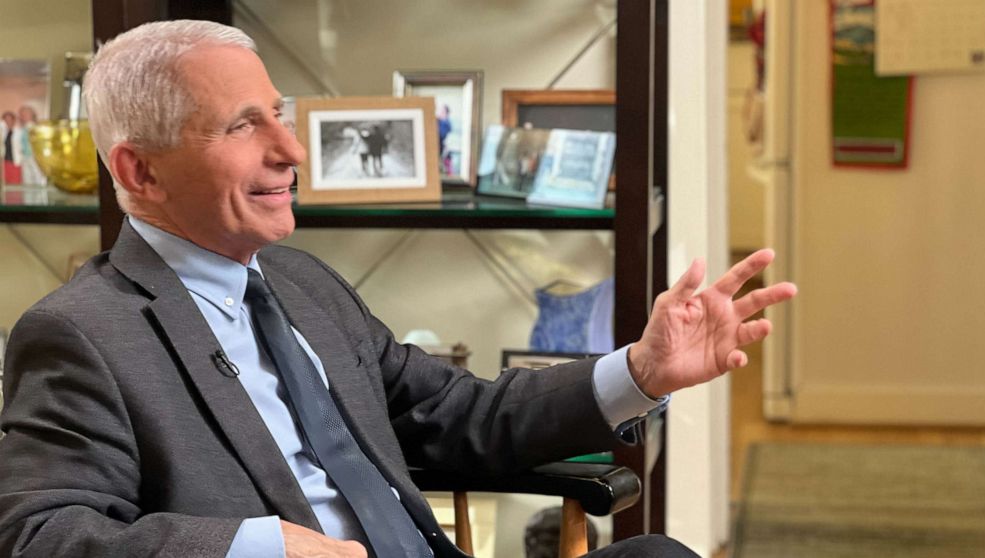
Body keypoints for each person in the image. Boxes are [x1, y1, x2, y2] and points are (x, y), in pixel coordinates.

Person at [0, 20, 796, 558]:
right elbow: (42, 534)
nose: (292, 151)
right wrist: (259, 546)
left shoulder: (303, 283)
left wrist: (643, 370)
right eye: (245, 127)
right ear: (139, 169)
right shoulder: (82, 333)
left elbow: (461, 417)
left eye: (281, 116)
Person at [16, 105, 46, 186]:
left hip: (36, 158)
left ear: (32, 115)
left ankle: (40, 198)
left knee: (38, 180)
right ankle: (28, 198)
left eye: (26, 113)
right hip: (25, 157)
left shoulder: (37, 128)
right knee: (27, 181)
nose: (23, 116)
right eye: (22, 114)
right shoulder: (22, 129)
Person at [1, 111, 22, 185]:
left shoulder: (19, 132)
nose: (8, 122)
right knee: (5, 185)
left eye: (10, 120)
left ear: (14, 120)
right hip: (4, 163)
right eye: (5, 120)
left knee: (15, 184)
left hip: (15, 162)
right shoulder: (3, 133)